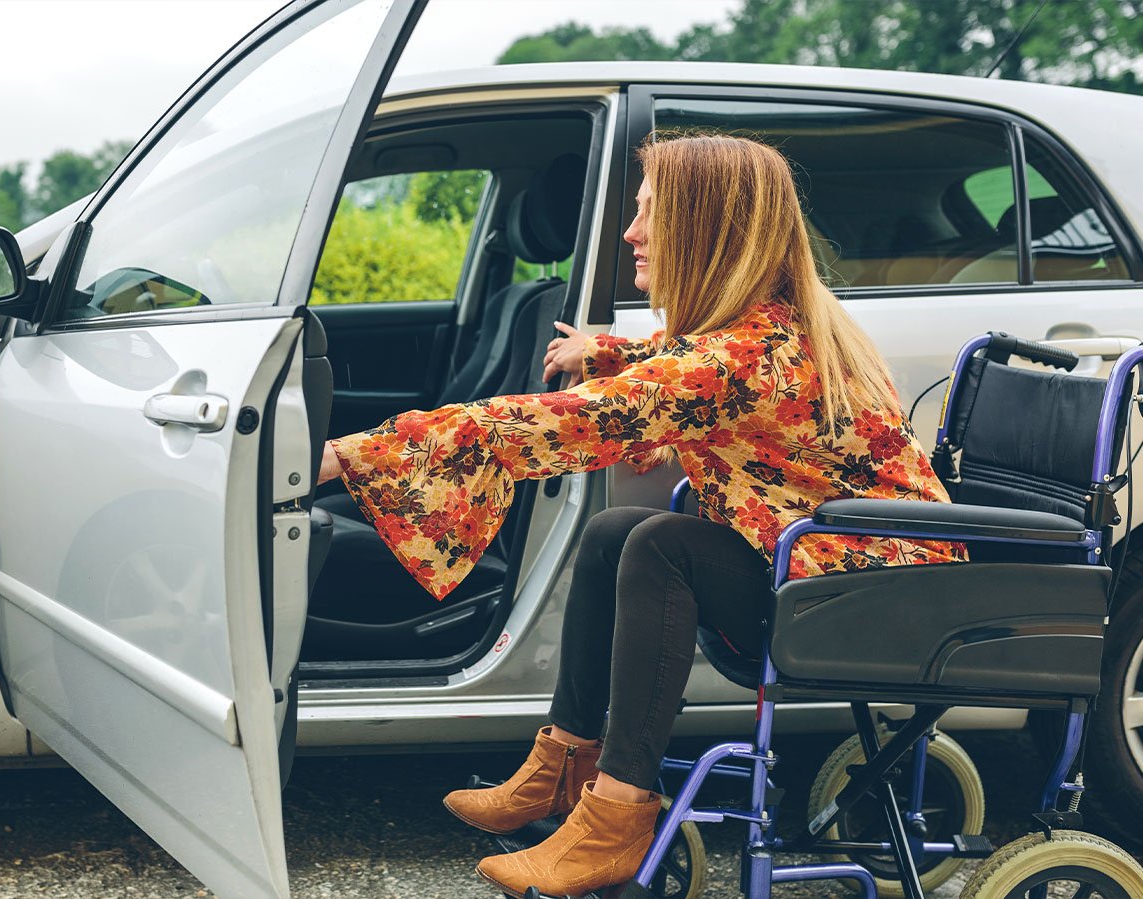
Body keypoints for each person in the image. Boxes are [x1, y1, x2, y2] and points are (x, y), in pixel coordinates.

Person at [317, 134, 965, 899]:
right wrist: (606, 353)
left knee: (663, 544)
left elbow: (564, 420)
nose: (630, 232)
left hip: (873, 602)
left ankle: (617, 813)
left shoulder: (746, 360)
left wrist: (351, 454)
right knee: (613, 532)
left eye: (648, 214)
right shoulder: (763, 331)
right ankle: (564, 766)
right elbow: (676, 367)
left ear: (706, 232)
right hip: (832, 572)